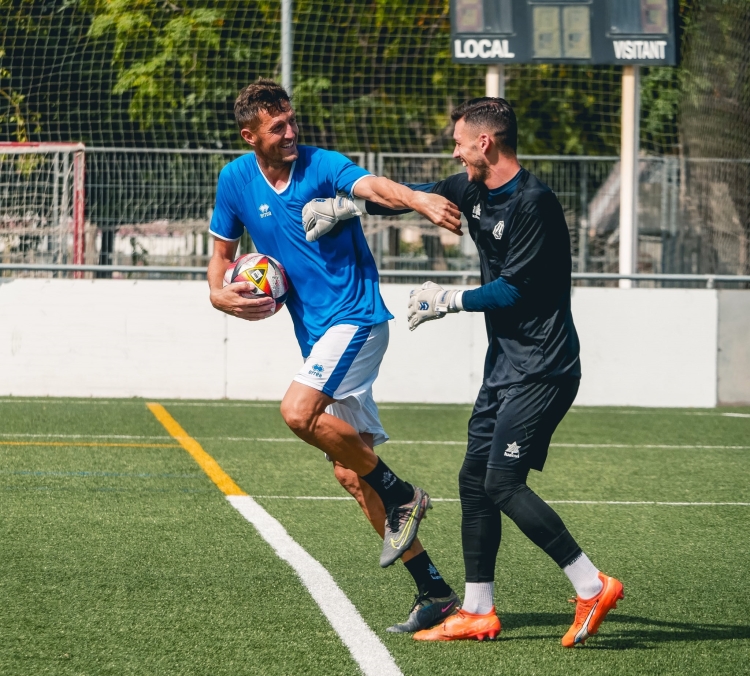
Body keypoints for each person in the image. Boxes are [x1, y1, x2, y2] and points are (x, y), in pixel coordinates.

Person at [303, 97, 623, 647]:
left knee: (502, 482)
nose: (453, 150)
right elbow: (420, 202)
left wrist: (448, 299)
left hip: (544, 368)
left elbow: (515, 290)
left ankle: (591, 584)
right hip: (504, 366)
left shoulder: (535, 204)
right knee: (474, 482)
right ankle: (477, 610)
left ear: (486, 143)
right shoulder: (471, 188)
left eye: (458, 141)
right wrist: (348, 210)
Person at [206, 78, 461, 632]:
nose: (292, 132)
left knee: (297, 413)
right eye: (278, 127)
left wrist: (417, 198)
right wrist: (216, 291)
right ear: (250, 135)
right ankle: (435, 590)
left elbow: (372, 186)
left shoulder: (321, 165)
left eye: (293, 121)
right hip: (318, 335)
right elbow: (221, 253)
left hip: (358, 320)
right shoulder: (234, 180)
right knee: (351, 473)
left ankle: (402, 494)